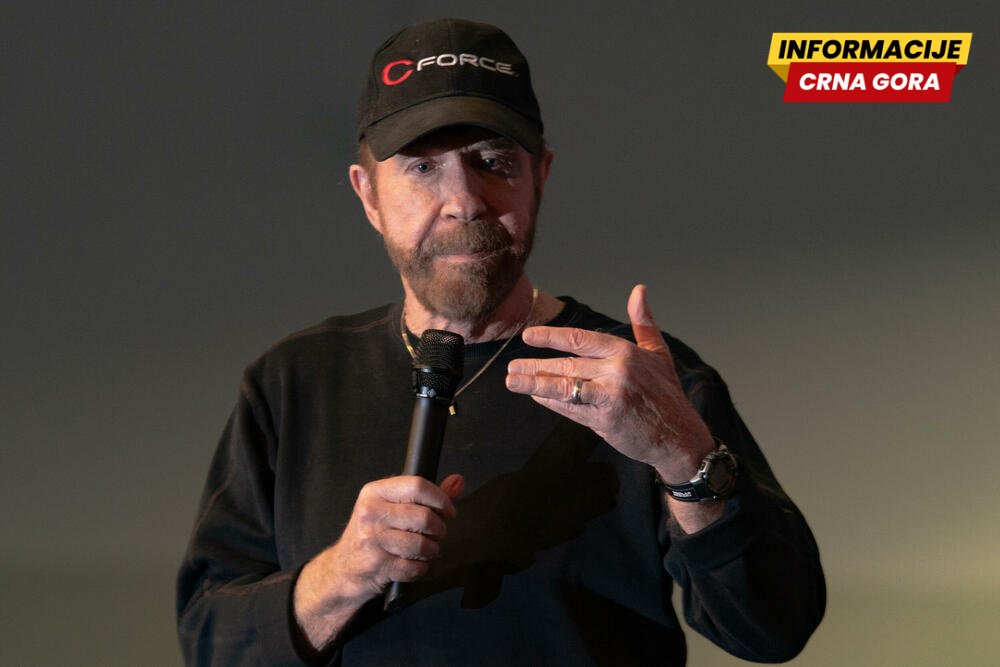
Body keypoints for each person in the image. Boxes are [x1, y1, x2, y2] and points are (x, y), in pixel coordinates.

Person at [176, 18, 825, 666]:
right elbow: (211, 641)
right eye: (422, 167)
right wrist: (342, 576)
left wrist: (685, 458)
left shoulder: (642, 380)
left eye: (493, 162)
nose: (463, 201)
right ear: (368, 195)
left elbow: (775, 627)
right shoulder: (292, 384)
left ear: (540, 175)